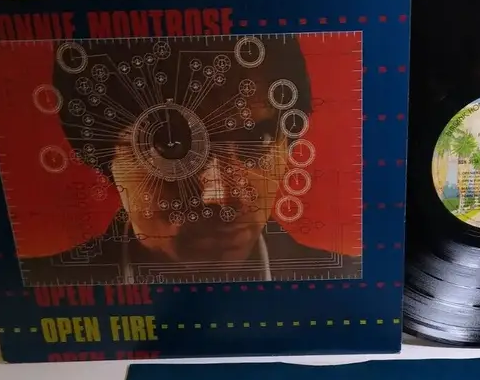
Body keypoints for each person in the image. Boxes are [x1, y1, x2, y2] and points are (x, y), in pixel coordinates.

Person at [21, 36, 360, 285]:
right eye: (172, 148)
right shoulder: (38, 289)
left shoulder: (344, 284)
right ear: (102, 154)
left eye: (256, 140)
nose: (221, 197)